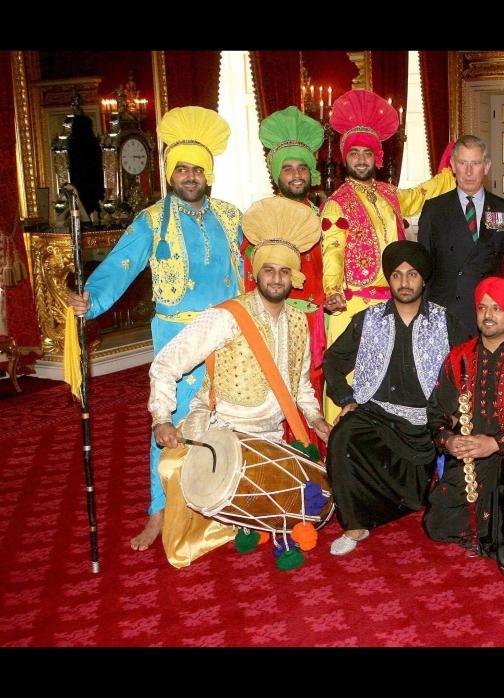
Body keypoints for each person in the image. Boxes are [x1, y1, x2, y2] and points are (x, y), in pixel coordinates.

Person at [67, 106, 241, 551]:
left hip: (229, 332)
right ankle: (159, 512)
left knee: (232, 416)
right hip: (177, 338)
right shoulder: (151, 221)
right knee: (169, 424)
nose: (189, 176)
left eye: (196, 169)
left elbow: (260, 262)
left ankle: (229, 501)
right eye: (180, 168)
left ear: (208, 174)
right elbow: (120, 265)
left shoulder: (230, 216)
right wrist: (93, 298)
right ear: (169, 174)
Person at [148, 196, 331, 568]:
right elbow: (167, 362)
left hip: (271, 436)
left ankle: (255, 524)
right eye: (269, 270)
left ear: (294, 277)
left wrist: (315, 420)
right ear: (257, 273)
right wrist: (162, 416)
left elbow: (300, 387)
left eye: (284, 271)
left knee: (319, 498)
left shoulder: (299, 322)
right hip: (223, 431)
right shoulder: (227, 317)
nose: (276, 278)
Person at [323, 241, 469, 555]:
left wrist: (456, 409)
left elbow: (470, 366)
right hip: (377, 414)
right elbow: (333, 361)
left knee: (418, 499)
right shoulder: (369, 318)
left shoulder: (445, 321)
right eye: (397, 275)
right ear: (389, 280)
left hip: (428, 421)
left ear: (423, 279)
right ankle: (354, 523)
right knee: (342, 437)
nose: (404, 282)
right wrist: (346, 398)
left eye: (412, 274)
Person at [320, 89, 455, 422]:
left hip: (393, 305)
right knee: (351, 385)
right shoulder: (338, 203)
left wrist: (450, 171)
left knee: (388, 384)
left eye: (368, 153)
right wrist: (333, 290)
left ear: (377, 157)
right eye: (355, 154)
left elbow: (422, 195)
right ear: (345, 158)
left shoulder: (388, 194)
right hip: (353, 305)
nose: (362, 160)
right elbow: (332, 249)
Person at [423, 256, 504, 576]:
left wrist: (496, 443)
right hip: (470, 458)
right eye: (483, 307)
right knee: (437, 525)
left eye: (497, 308)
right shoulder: (459, 357)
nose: (488, 315)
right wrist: (450, 440)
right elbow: (434, 414)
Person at [254, 106, 328, 401]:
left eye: (302, 168)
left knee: (317, 392)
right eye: (288, 168)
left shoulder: (327, 217)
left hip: (321, 325)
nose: (296, 175)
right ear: (277, 175)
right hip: (278, 320)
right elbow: (253, 277)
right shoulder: (264, 219)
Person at [417, 135, 504, 335]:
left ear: (487, 166)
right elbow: (424, 267)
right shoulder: (434, 210)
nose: (469, 171)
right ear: (453, 166)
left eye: (476, 163)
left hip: (489, 315)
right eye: (463, 163)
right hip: (445, 315)